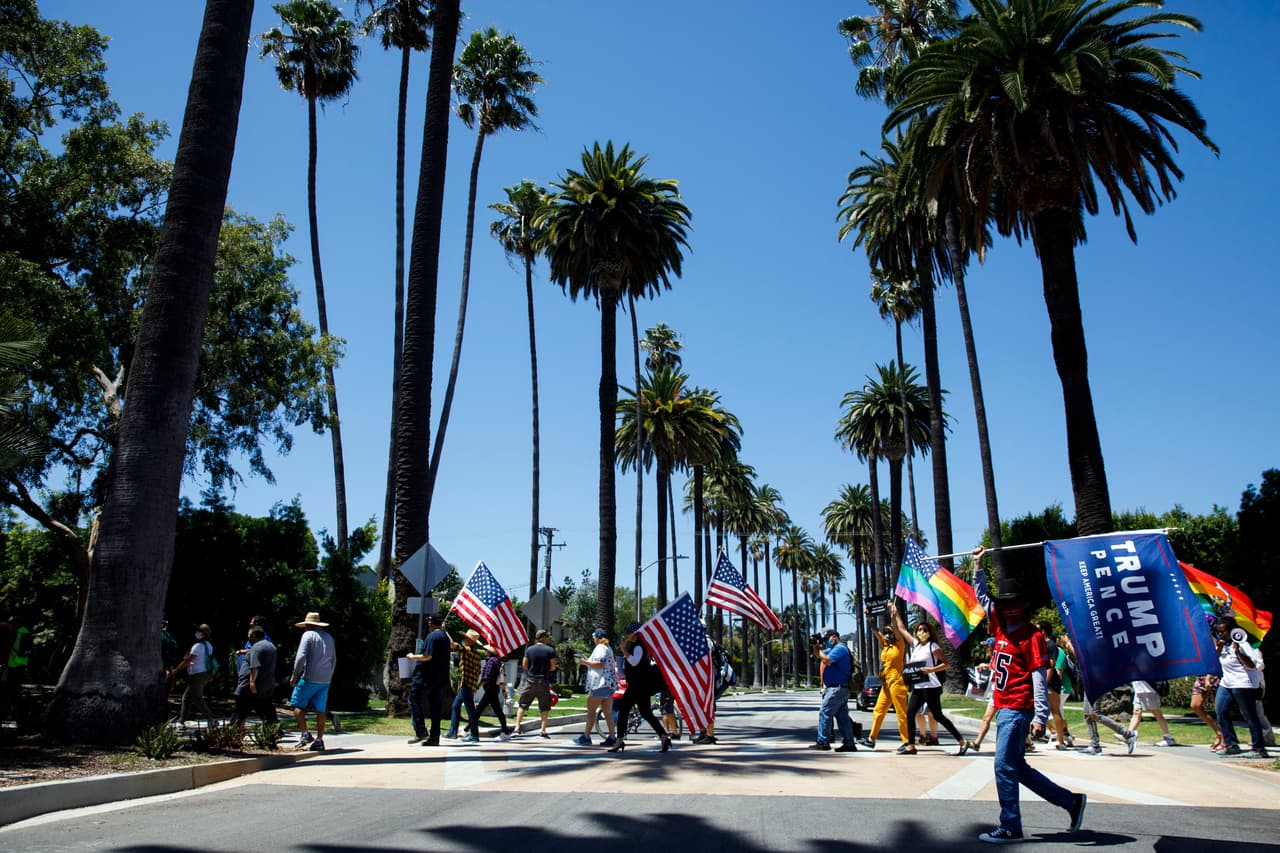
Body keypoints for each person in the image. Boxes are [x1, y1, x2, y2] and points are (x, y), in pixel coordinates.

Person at [971, 546, 1086, 844]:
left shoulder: (1032, 636)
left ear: (1024, 606)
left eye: (1015, 604)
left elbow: (1038, 676)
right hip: (1004, 705)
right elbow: (983, 598)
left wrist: (1040, 715)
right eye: (1004, 604)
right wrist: (978, 566)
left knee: (1003, 766)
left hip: (1018, 708)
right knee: (1017, 767)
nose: (1009, 608)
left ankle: (1010, 825)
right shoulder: (999, 625)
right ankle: (1071, 802)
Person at [891, 602, 971, 755]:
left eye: (925, 629)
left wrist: (931, 670)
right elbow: (901, 629)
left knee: (938, 715)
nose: (921, 631)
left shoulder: (932, 646)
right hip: (918, 686)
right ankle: (911, 745)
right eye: (919, 629)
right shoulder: (916, 646)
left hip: (931, 686)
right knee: (910, 713)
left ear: (929, 632)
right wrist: (895, 613)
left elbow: (947, 664)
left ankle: (962, 741)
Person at [610, 621, 670, 754]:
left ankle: (619, 740)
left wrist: (624, 650)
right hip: (640, 686)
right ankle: (663, 736)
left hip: (637, 686)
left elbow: (634, 662)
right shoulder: (639, 646)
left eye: (629, 632)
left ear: (635, 634)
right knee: (646, 712)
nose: (627, 635)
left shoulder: (638, 647)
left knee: (623, 709)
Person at [1213, 616, 1269, 758]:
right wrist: (1219, 649)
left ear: (1232, 631)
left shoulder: (1243, 644)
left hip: (1244, 683)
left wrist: (1238, 652)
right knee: (1221, 711)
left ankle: (1259, 748)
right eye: (1219, 632)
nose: (1221, 634)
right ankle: (1231, 744)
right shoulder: (1223, 645)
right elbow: (1217, 661)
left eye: (1223, 631)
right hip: (1227, 682)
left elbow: (1253, 665)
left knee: (1249, 715)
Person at [858, 619, 909, 751]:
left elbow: (898, 631)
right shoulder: (885, 645)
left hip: (897, 682)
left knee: (901, 713)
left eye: (889, 632)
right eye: (885, 632)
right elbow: (876, 633)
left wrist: (893, 616)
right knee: (878, 711)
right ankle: (871, 739)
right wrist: (870, 622)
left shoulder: (900, 645)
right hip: (886, 683)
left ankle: (907, 741)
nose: (887, 634)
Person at [289, 611, 336, 752]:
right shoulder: (329, 637)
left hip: (309, 677)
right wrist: (329, 675)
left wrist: (295, 675)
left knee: (296, 704)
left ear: (308, 624)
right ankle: (320, 739)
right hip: (325, 679)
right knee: (320, 709)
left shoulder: (308, 635)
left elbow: (300, 657)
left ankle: (305, 734)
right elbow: (334, 659)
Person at [406, 613, 451, 746]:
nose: (428, 624)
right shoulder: (444, 637)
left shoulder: (432, 636)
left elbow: (427, 656)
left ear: (432, 623)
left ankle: (421, 731)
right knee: (435, 707)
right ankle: (434, 737)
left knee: (414, 699)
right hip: (439, 677)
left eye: (429, 622)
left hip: (426, 676)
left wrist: (412, 656)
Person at [811, 627, 857, 752]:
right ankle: (849, 743)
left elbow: (826, 659)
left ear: (834, 637)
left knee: (825, 712)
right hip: (839, 688)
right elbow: (818, 656)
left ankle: (823, 741)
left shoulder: (840, 648)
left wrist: (819, 649)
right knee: (842, 717)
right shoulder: (831, 649)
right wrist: (815, 646)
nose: (826, 642)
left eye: (827, 639)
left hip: (836, 688)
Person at [576, 628, 619, 747]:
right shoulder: (608, 648)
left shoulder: (600, 648)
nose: (593, 639)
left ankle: (586, 736)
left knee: (591, 712)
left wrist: (585, 662)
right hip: (609, 685)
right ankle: (612, 736)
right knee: (607, 712)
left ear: (598, 637)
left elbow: (600, 663)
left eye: (594, 637)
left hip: (599, 684)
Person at [168, 623, 215, 725]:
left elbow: (187, 661)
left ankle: (211, 719)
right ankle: (181, 721)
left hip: (196, 675)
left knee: (197, 698)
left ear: (203, 634)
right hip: (204, 674)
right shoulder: (209, 645)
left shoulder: (198, 646)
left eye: (199, 631)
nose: (197, 633)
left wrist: (175, 670)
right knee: (187, 697)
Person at [513, 629, 557, 737]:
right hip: (543, 681)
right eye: (546, 636)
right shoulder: (550, 650)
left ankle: (517, 728)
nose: (547, 638)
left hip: (530, 680)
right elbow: (553, 667)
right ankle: (543, 730)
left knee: (523, 704)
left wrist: (532, 670)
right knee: (545, 706)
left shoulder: (529, 650)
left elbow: (524, 665)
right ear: (543, 637)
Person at [232, 625, 277, 730]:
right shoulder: (271, 646)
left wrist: (252, 682)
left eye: (249, 636)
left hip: (249, 687)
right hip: (265, 686)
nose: (248, 638)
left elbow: (255, 666)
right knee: (266, 712)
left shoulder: (256, 648)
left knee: (239, 712)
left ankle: (231, 734)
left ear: (253, 636)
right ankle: (274, 731)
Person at [445, 629, 483, 742]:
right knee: (455, 706)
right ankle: (453, 732)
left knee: (470, 710)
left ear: (470, 642)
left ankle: (474, 735)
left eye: (466, 638)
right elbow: (478, 671)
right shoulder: (476, 654)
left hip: (465, 684)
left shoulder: (466, 651)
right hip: (469, 684)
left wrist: (445, 631)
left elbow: (452, 645)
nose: (464, 640)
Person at [473, 646, 513, 741]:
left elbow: (486, 676)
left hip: (490, 687)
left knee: (479, 709)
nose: (486, 652)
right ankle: (505, 732)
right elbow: (502, 677)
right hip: (494, 688)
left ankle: (468, 730)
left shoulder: (491, 661)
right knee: (497, 710)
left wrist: (478, 686)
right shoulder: (498, 661)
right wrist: (503, 690)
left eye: (487, 651)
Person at [1048, 632, 1077, 749]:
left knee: (1054, 712)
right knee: (1058, 712)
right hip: (1060, 687)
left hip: (1062, 688)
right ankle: (1064, 735)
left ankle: (1058, 735)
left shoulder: (1058, 652)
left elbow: (1058, 672)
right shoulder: (1054, 651)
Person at [1129, 680, 1176, 747]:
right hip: (1138, 690)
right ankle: (1128, 735)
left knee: (1157, 713)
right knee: (1137, 713)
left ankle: (1168, 738)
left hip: (1149, 690)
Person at [1192, 672, 1223, 751]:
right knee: (1195, 706)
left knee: (1219, 709)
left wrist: (1208, 678)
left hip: (1215, 677)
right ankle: (1219, 733)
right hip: (1201, 677)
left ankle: (1225, 739)